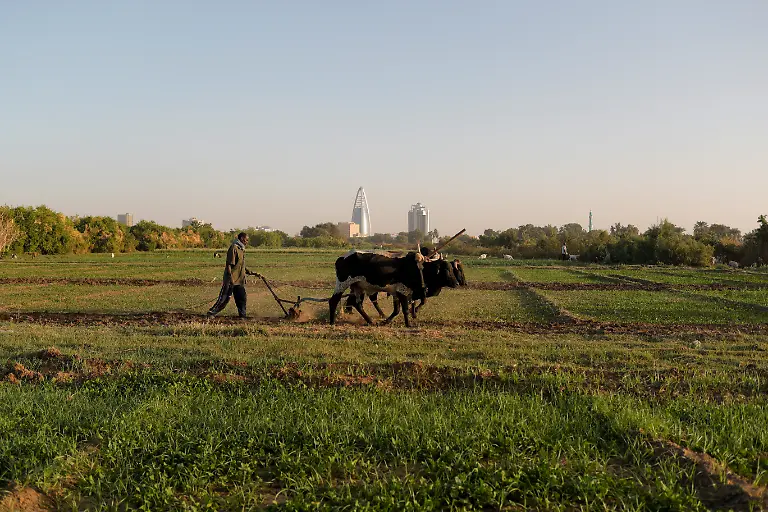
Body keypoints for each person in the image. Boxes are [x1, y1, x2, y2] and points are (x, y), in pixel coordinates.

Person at [208, 232, 261, 318]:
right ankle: (211, 313)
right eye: (246, 240)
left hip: (239, 280)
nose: (247, 242)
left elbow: (241, 266)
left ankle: (242, 316)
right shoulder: (234, 248)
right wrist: (231, 280)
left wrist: (253, 273)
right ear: (241, 239)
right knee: (224, 299)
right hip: (231, 279)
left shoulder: (241, 249)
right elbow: (229, 265)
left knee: (242, 298)